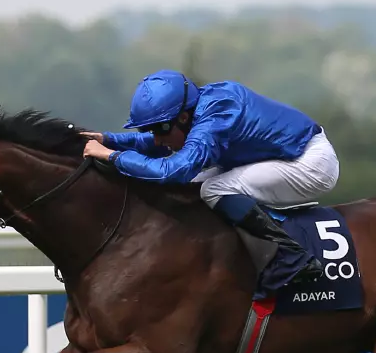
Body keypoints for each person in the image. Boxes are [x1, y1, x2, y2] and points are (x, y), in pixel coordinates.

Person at [81, 69, 340, 285]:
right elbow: (159, 143)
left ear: (183, 117)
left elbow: (171, 170)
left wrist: (111, 156)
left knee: (212, 190)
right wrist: (109, 140)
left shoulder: (215, 118)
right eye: (149, 129)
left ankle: (291, 256)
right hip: (275, 156)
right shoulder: (195, 111)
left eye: (160, 129)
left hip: (308, 162)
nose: (156, 137)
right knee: (193, 186)